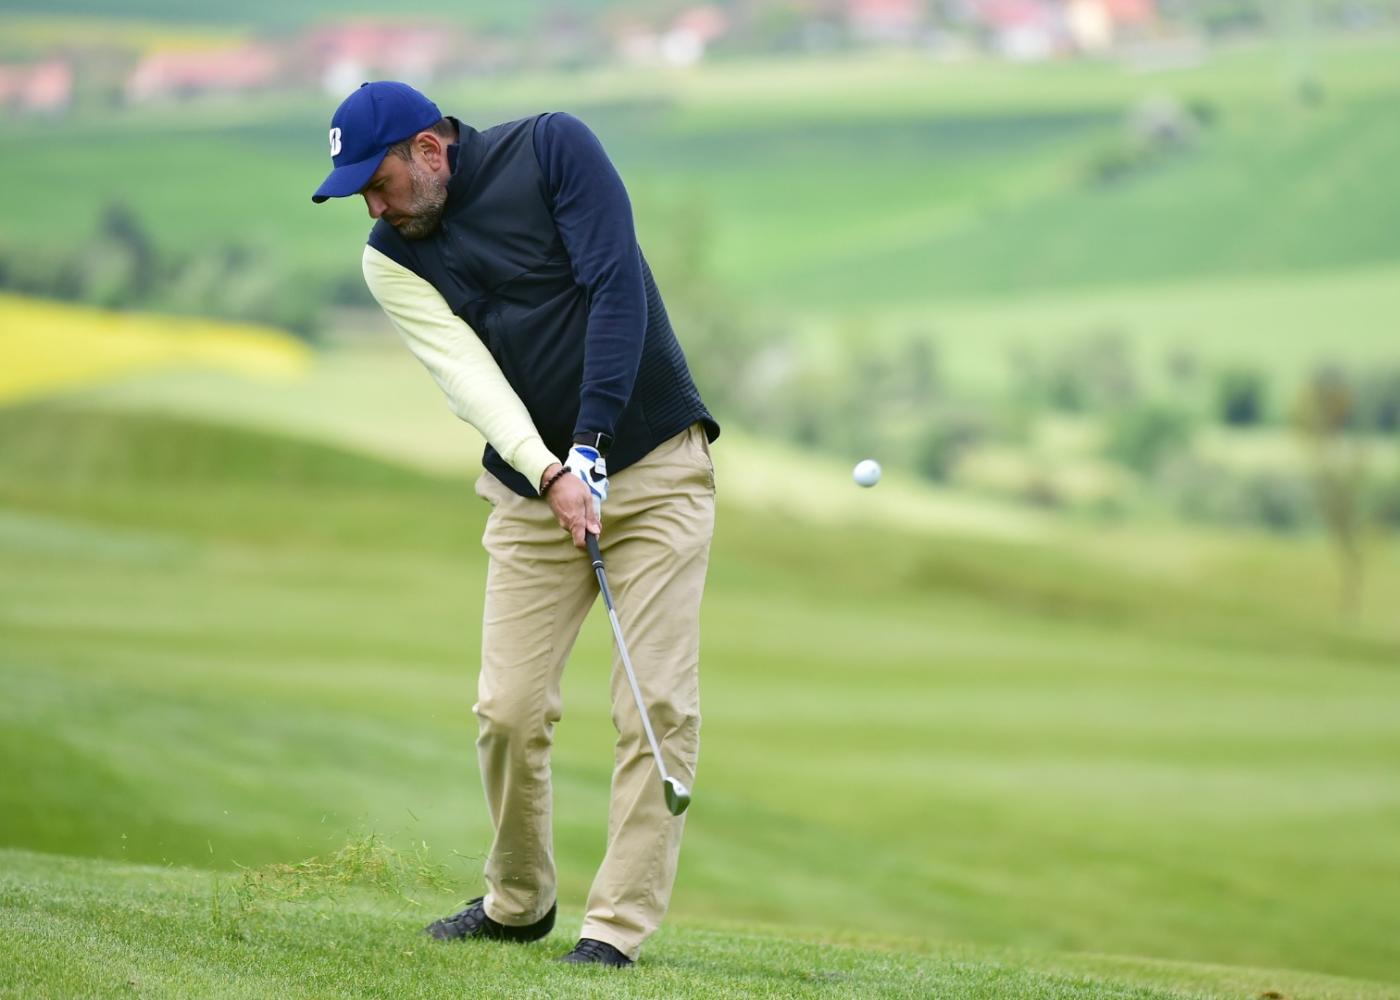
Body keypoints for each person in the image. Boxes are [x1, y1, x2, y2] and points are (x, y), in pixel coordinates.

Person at [311, 81, 719, 967]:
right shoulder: (391, 259)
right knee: (507, 710)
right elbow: (467, 377)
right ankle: (519, 901)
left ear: (429, 149)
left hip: (655, 468)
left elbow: (616, 288)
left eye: (378, 184)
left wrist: (592, 446)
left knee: (654, 704)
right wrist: (551, 471)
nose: (374, 208)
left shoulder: (552, 149)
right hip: (536, 494)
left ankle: (614, 930)